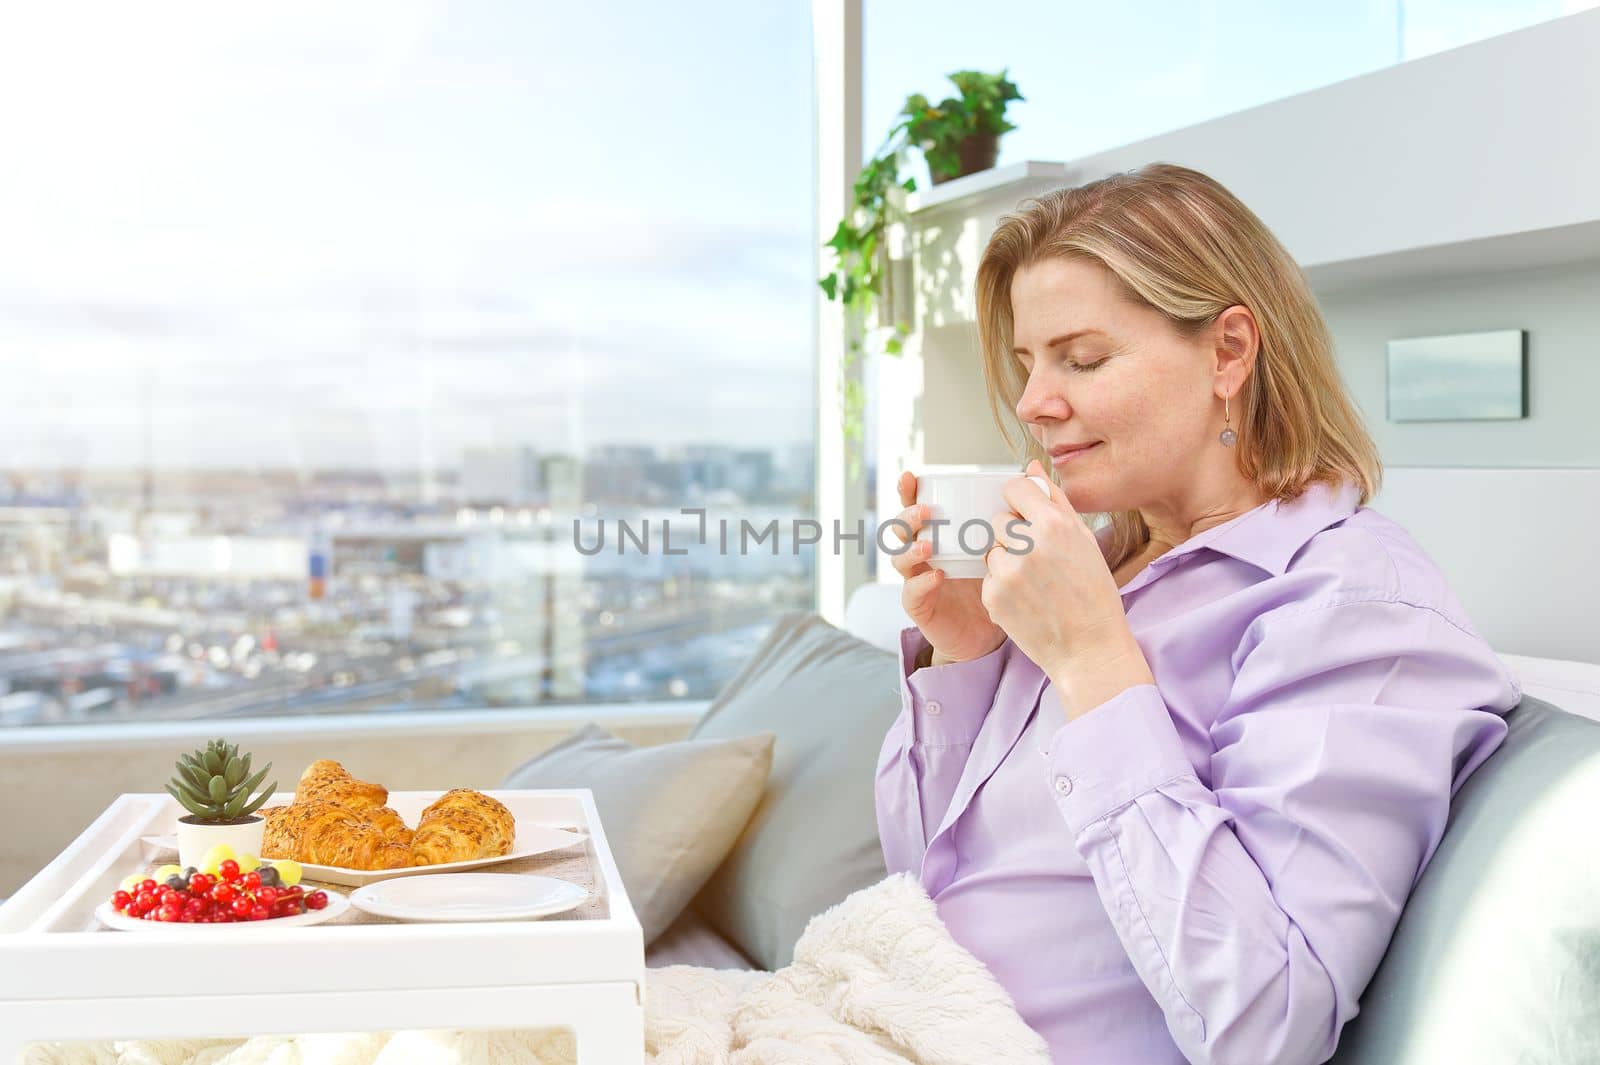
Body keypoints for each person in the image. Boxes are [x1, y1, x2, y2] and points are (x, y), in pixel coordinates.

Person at [876, 162, 1520, 1065]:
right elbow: (932, 881)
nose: (1032, 403)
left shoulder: (1349, 602)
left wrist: (1095, 661)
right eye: (1028, 363)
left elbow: (1267, 1019)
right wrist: (968, 654)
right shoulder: (1098, 561)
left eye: (1082, 357)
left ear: (1228, 353)